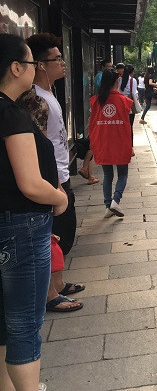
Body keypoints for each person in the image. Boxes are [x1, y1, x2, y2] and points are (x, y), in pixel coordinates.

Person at [0, 33, 68, 391]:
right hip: (22, 228)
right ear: (15, 68)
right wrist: (58, 199)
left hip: (8, 225)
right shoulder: (12, 114)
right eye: (30, 63)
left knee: (4, 322)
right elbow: (29, 183)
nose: (34, 69)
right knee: (25, 322)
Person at [18, 33, 84, 313]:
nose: (63, 62)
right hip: (52, 178)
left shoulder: (49, 94)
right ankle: (49, 294)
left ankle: (58, 283)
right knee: (54, 236)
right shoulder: (35, 100)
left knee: (63, 233)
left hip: (61, 174)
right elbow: (41, 147)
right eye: (57, 59)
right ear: (41, 65)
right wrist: (54, 183)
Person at [89, 68, 133, 218]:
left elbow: (92, 123)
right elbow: (128, 126)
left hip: (103, 143)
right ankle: (116, 200)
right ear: (117, 81)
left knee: (107, 175)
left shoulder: (96, 100)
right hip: (120, 142)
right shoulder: (125, 101)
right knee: (123, 174)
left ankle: (108, 206)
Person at [118, 64, 139, 145]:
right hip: (129, 106)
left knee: (122, 126)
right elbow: (134, 93)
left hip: (120, 105)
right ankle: (130, 146)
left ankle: (122, 144)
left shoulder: (119, 79)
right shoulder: (133, 80)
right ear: (132, 72)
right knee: (130, 126)